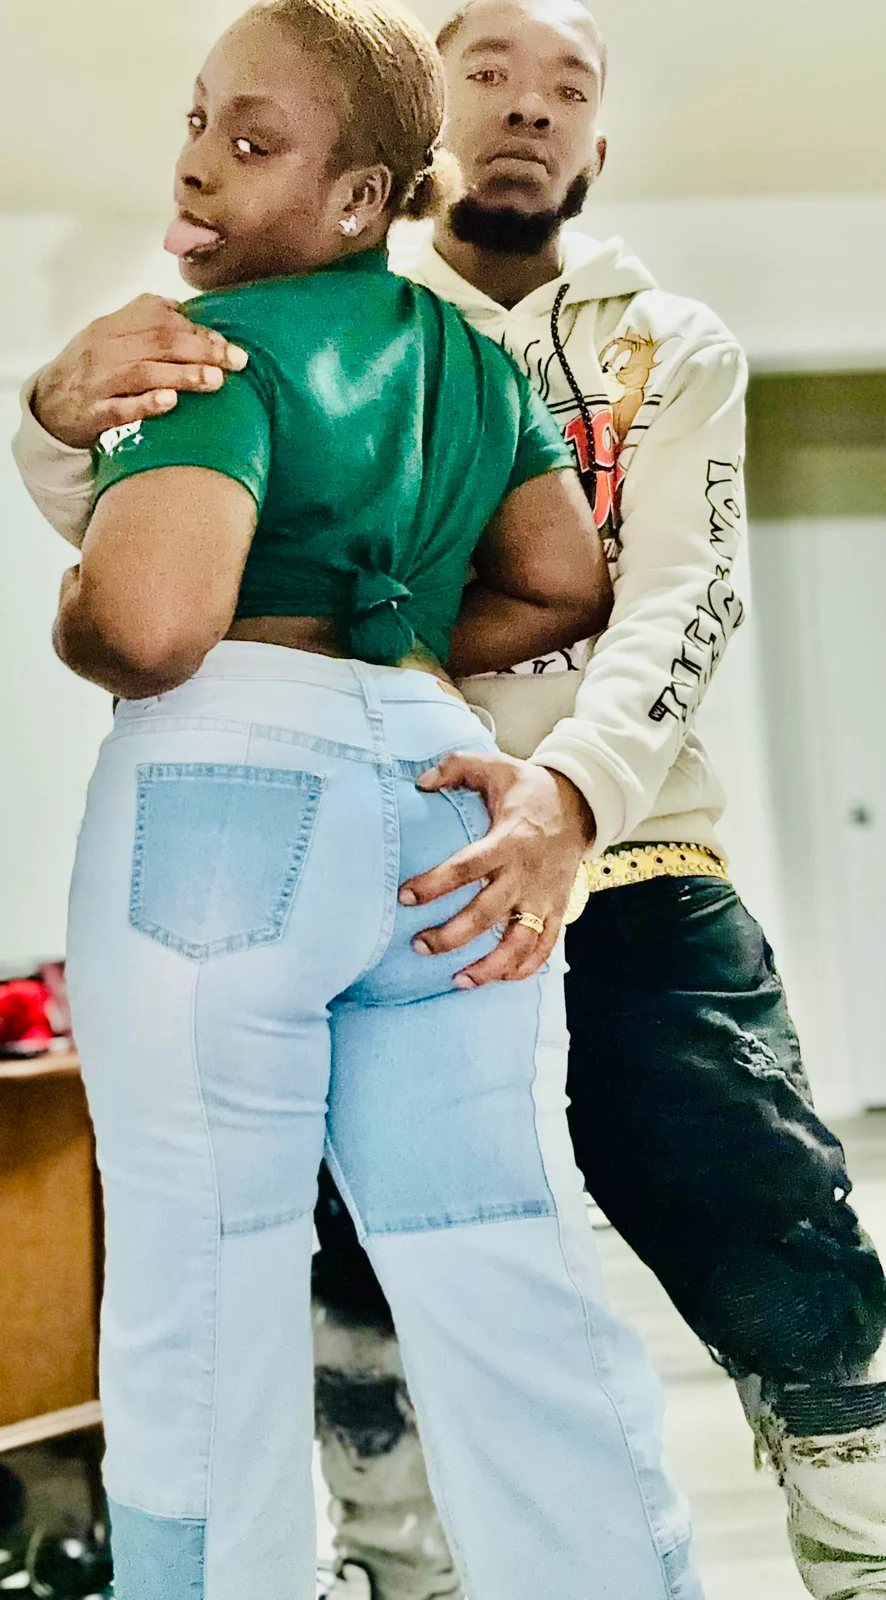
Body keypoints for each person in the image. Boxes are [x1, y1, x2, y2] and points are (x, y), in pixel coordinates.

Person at [13, 2, 886, 1598]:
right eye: (489, 69)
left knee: (215, 1276)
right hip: (435, 793)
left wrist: (93, 615)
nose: (199, 165)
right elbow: (555, 577)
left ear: (359, 186)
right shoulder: (451, 353)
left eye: (570, 86)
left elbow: (153, 619)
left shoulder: (248, 342)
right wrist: (389, 636)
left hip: (442, 824)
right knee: (479, 1262)